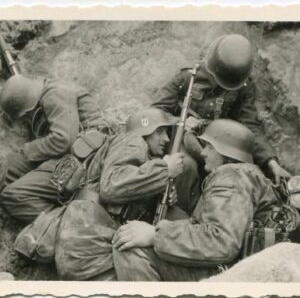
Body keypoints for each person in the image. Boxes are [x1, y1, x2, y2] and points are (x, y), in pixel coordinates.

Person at [112, 119, 279, 281]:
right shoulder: (244, 176)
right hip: (240, 266)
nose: (203, 152)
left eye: (209, 147)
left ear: (225, 152)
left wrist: (155, 235)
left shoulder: (231, 178)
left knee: (131, 249)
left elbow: (221, 242)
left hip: (228, 272)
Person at [152, 33, 290, 213]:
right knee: (186, 167)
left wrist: (271, 163)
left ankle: (216, 218)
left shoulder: (244, 85)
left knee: (233, 173)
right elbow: (157, 110)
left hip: (218, 143)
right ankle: (181, 216)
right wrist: (182, 121)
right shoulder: (188, 76)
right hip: (187, 139)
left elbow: (249, 127)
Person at [54, 107, 186, 280]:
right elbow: (112, 186)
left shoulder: (143, 155)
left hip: (87, 240)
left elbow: (127, 190)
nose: (166, 139)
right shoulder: (133, 141)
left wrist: (161, 192)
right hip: (88, 242)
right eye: (160, 131)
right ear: (144, 132)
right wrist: (164, 170)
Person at [0, 74, 106, 222]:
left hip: (83, 159)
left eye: (25, 115)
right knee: (6, 165)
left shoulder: (56, 93)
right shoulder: (44, 93)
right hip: (62, 154)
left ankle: (64, 224)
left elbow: (63, 140)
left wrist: (28, 149)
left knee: (14, 195)